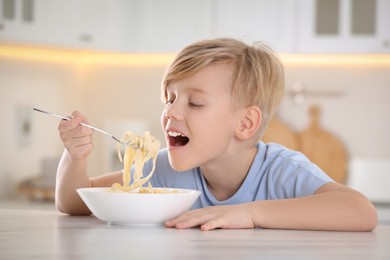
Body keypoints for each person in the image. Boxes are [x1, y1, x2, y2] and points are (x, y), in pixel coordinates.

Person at [56, 38, 377, 231]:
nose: (171, 111)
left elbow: (360, 212)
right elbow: (74, 201)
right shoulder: (162, 171)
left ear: (246, 124)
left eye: (195, 102)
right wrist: (75, 157)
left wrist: (249, 214)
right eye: (169, 98)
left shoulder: (282, 171)